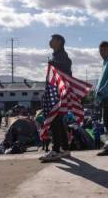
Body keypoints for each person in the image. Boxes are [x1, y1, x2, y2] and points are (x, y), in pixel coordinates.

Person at [39, 34, 72, 162]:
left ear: (59, 41)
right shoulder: (56, 55)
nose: (50, 41)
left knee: (54, 120)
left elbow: (67, 68)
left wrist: (54, 63)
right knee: (58, 121)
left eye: (52, 39)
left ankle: (56, 150)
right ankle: (64, 148)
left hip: (58, 94)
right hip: (56, 93)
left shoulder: (62, 56)